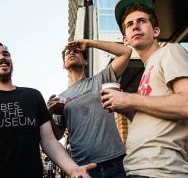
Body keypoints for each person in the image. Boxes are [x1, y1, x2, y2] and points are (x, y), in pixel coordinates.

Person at [0, 41, 96, 178]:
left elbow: (49, 140)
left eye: (6, 54)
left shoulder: (33, 96)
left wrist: (73, 169)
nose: (2, 57)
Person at [100, 0, 188, 178]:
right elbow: (157, 119)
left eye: (142, 21)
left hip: (160, 170)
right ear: (126, 39)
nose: (135, 26)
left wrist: (129, 98)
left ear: (156, 31)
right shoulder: (148, 70)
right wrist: (127, 109)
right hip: (138, 169)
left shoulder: (170, 51)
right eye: (129, 24)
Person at [47, 39, 132, 178]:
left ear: (86, 62)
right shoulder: (60, 99)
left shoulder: (101, 79)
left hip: (115, 161)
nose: (72, 53)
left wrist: (89, 43)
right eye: (68, 52)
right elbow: (57, 136)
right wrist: (49, 115)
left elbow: (126, 52)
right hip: (84, 168)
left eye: (76, 51)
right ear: (64, 64)